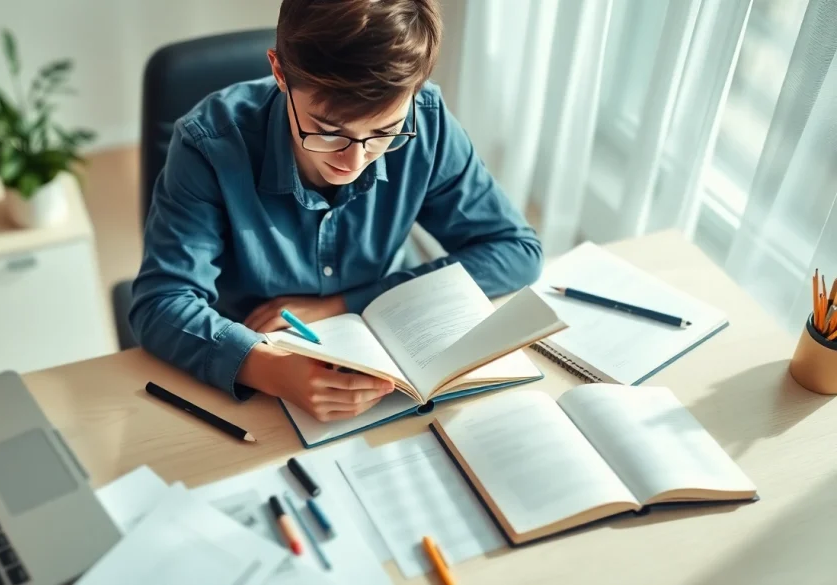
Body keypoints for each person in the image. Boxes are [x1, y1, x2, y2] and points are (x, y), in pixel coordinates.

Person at [130, 0, 542, 422]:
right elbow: (160, 304)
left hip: (382, 355)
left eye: (384, 132)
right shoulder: (209, 144)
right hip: (253, 353)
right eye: (328, 132)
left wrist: (343, 303)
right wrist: (270, 370)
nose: (353, 161)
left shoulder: (427, 123)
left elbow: (516, 250)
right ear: (279, 72)